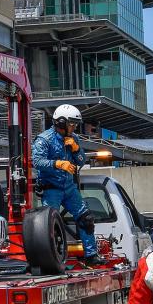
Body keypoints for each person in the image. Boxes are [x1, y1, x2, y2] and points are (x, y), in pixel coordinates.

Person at [31, 104, 103, 266]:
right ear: (61, 122)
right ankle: (52, 258)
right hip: (51, 189)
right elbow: (36, 162)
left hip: (69, 188)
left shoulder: (74, 139)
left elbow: (81, 161)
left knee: (86, 219)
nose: (75, 127)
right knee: (49, 224)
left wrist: (77, 149)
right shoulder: (44, 139)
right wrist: (58, 164)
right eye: (72, 123)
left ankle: (91, 255)